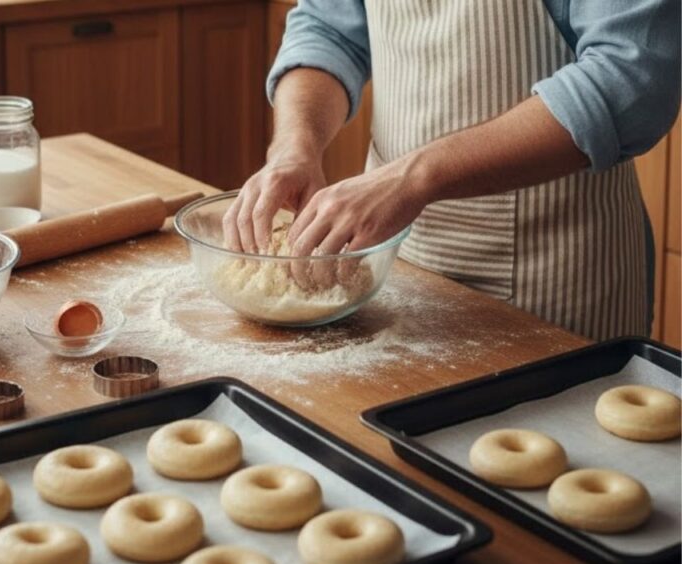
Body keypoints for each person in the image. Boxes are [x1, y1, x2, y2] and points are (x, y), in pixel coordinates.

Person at [224, 0, 680, 341]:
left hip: (556, 277)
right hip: (392, 263)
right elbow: (328, 28)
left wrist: (414, 178)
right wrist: (293, 145)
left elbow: (634, 77)